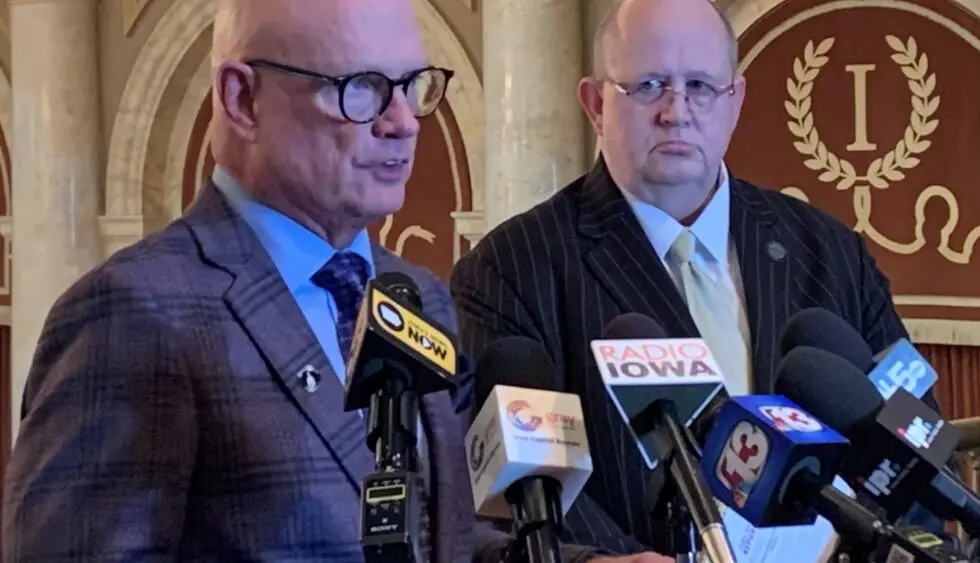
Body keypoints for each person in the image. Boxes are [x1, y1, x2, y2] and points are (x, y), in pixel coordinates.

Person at [1, 1, 667, 562]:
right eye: (361, 87)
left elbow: (447, 534)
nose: (403, 121)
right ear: (241, 98)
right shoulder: (131, 314)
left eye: (412, 86)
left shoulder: (419, 296)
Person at [451, 0, 950, 554]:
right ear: (595, 104)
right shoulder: (511, 267)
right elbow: (507, 499)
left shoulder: (831, 252)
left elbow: (921, 449)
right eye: (647, 86)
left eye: (700, 86)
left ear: (735, 102)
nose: (676, 110)